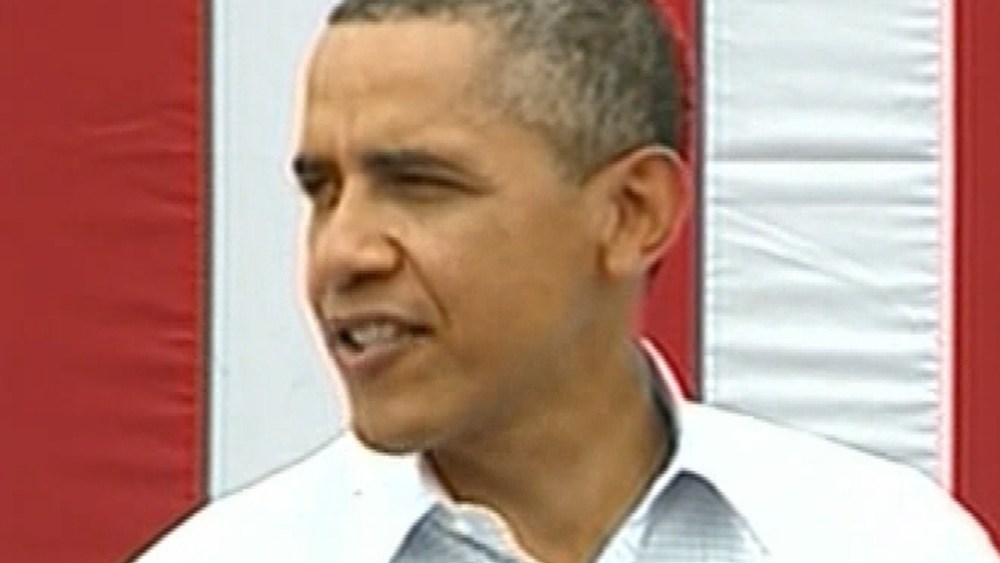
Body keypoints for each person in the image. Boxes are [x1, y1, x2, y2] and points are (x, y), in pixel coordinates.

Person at [136, 0, 999, 561]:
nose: (343, 251)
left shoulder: (883, 542)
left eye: (420, 184)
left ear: (631, 212)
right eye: (323, 191)